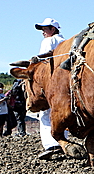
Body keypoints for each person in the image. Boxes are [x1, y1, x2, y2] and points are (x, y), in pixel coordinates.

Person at [34, 18, 67, 159]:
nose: (43, 32)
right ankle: (63, 142)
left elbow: (44, 63)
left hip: (53, 82)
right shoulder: (66, 42)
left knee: (45, 113)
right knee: (63, 113)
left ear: (53, 29)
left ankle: (51, 145)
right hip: (66, 83)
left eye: (45, 29)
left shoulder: (48, 41)